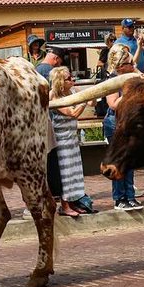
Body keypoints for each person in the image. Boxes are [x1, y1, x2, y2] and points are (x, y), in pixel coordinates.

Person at [48, 67, 94, 217]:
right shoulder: (54, 96)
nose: (72, 80)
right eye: (69, 79)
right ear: (61, 81)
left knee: (75, 173)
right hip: (61, 141)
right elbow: (72, 113)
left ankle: (74, 202)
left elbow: (92, 103)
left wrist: (92, 94)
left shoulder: (73, 91)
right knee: (65, 174)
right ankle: (65, 205)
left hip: (73, 138)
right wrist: (84, 101)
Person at [103, 44, 143, 211]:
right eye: (128, 62)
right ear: (120, 65)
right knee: (118, 161)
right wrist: (129, 92)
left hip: (128, 122)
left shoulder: (131, 76)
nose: (133, 64)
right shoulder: (113, 79)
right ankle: (119, 198)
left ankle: (130, 196)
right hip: (115, 123)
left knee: (130, 161)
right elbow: (112, 104)